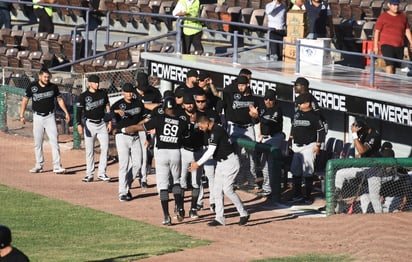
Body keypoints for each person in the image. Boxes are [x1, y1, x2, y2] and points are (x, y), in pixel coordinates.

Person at [123, 97, 187, 226]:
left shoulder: (158, 119)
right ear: (175, 108)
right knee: (176, 181)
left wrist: (124, 129)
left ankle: (166, 216)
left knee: (163, 186)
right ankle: (179, 206)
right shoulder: (181, 122)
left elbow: (139, 127)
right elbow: (185, 137)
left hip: (162, 153)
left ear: (164, 108)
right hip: (175, 153)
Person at [189, 115, 250, 226]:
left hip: (230, 162)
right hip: (220, 163)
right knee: (216, 190)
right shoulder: (209, 131)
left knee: (227, 189)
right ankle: (219, 217)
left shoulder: (217, 130)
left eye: (201, 127)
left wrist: (198, 163)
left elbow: (211, 151)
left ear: (206, 123)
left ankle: (243, 213)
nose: (201, 129)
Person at [20, 67, 70, 174]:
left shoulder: (53, 87)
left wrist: (65, 112)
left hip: (50, 117)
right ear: (40, 76)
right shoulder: (32, 86)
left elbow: (60, 99)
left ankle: (57, 166)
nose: (47, 79)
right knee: (38, 143)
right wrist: (21, 115)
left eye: (48, 77)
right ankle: (39, 165)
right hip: (37, 117)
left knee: (54, 141)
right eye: (45, 77)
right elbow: (25, 100)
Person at [334, 119, 382, 213]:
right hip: (363, 167)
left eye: (359, 131)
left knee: (374, 197)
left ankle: (380, 217)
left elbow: (362, 150)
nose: (358, 133)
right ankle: (337, 197)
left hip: (374, 169)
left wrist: (354, 134)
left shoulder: (375, 135)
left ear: (365, 128)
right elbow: (360, 152)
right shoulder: (363, 133)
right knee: (340, 174)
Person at [222, 75, 261, 190]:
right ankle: (239, 181)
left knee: (251, 156)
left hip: (248, 128)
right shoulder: (233, 96)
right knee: (236, 155)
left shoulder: (254, 98)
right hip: (236, 128)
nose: (240, 87)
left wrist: (255, 116)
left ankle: (251, 180)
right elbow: (222, 93)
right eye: (239, 85)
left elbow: (256, 118)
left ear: (248, 85)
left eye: (242, 85)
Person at [289, 93, 326, 204]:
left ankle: (308, 196)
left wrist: (318, 145)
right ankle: (297, 195)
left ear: (307, 103)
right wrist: (289, 140)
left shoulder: (315, 116)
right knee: (295, 171)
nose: (299, 105)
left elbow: (321, 131)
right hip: (297, 147)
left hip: (309, 146)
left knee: (308, 172)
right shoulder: (297, 114)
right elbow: (293, 127)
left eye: (301, 103)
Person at [111, 83, 145, 201]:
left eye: (131, 91)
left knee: (138, 164)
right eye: (127, 91)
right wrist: (115, 112)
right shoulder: (118, 104)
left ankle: (126, 185)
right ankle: (122, 192)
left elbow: (144, 117)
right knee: (124, 165)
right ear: (123, 92)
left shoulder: (138, 103)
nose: (129, 94)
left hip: (135, 136)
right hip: (122, 136)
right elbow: (107, 116)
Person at [76, 75, 112, 182]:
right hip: (89, 125)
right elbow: (79, 112)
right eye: (95, 82)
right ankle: (89, 174)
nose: (97, 84)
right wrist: (79, 124)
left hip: (101, 124)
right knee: (90, 150)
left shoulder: (103, 93)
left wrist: (109, 122)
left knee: (105, 148)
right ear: (89, 83)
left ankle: (101, 173)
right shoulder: (83, 96)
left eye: (98, 82)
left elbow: (107, 107)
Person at [250, 89, 284, 197]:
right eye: (266, 99)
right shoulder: (263, 108)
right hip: (265, 138)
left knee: (270, 163)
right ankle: (267, 188)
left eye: (270, 99)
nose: (268, 102)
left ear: (275, 100)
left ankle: (271, 188)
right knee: (264, 163)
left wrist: (258, 116)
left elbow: (269, 123)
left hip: (275, 137)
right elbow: (257, 122)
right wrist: (253, 116)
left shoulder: (277, 109)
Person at [178, 94, 205, 218]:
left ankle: (193, 208)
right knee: (182, 181)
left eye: (191, 103)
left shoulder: (200, 116)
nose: (189, 105)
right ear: (183, 105)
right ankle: (180, 207)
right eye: (187, 103)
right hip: (184, 151)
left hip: (198, 151)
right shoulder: (180, 116)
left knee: (196, 182)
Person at [373, 0, 412, 74]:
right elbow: (377, 31)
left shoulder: (403, 16)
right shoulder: (383, 16)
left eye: (397, 5)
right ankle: (388, 83)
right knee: (389, 64)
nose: (396, 7)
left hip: (399, 45)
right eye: (394, 5)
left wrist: (411, 41)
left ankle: (392, 82)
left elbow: (407, 30)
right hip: (386, 44)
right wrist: (376, 46)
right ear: (389, 5)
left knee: (395, 66)